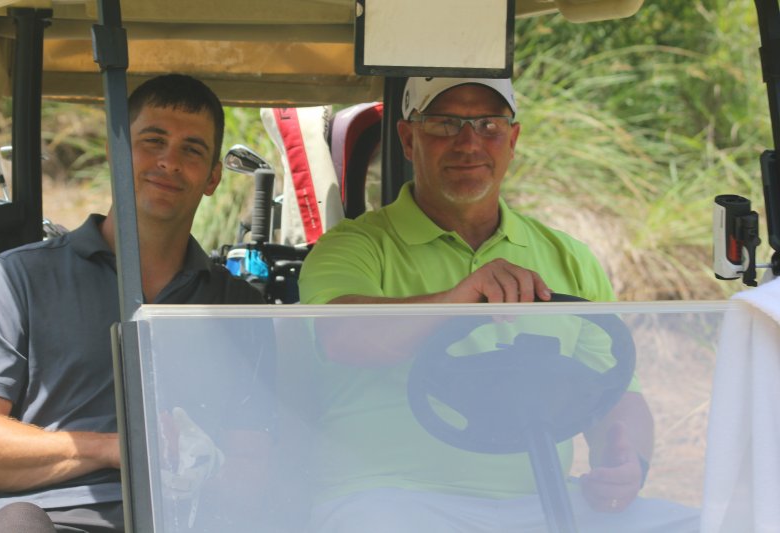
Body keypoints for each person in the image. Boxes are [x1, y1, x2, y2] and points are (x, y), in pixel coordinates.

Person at [298, 77, 699, 531]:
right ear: (409, 139)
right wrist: (456, 300)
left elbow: (617, 394)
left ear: (513, 140)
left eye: (489, 125)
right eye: (445, 124)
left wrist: (628, 465)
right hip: (390, 498)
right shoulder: (353, 247)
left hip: (544, 499)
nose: (469, 143)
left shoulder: (570, 257)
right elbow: (342, 336)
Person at [0, 74, 274, 532]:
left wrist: (206, 467)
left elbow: (255, 471)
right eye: (152, 141)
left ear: (213, 177)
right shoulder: (17, 277)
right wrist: (114, 449)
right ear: (116, 151)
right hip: (50, 520)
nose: (169, 162)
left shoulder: (240, 309)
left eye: (192, 150)